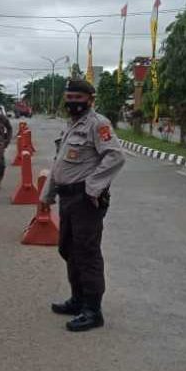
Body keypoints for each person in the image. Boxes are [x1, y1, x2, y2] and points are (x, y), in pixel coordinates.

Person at [39, 78, 125, 332]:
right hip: (67, 198)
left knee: (86, 254)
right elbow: (59, 164)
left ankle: (92, 310)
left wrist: (94, 187)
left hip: (86, 199)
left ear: (90, 100)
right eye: (70, 98)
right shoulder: (71, 124)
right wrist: (47, 195)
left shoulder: (98, 124)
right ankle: (77, 300)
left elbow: (115, 156)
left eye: (79, 98)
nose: (73, 103)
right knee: (68, 249)